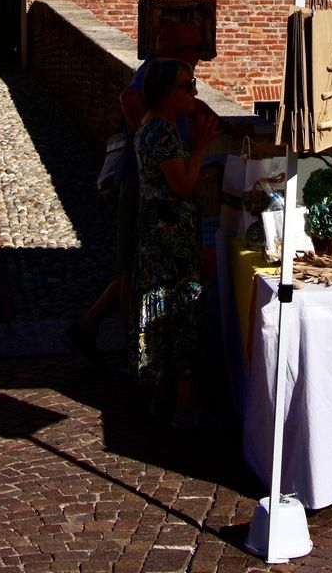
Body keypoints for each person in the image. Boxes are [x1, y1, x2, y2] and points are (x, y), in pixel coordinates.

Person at [65, 21, 218, 365]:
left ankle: (113, 339)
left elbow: (192, 107)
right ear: (178, 52)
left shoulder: (164, 78)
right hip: (145, 189)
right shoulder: (155, 78)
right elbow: (131, 100)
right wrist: (158, 143)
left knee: (136, 269)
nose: (203, 55)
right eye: (196, 49)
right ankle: (130, 348)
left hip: (150, 185)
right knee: (136, 270)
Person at [130, 58, 219, 427]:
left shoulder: (150, 124)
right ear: (166, 92)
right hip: (172, 239)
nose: (194, 91)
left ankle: (159, 398)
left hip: (155, 234)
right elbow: (182, 185)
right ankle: (185, 408)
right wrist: (200, 147)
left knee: (162, 316)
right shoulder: (164, 132)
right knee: (183, 314)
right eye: (186, 85)